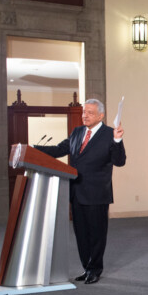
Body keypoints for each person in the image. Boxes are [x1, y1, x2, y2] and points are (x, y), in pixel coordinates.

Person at [36, 98, 126, 284]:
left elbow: (119, 161)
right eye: (84, 112)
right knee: (81, 234)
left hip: (97, 194)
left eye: (90, 112)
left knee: (96, 234)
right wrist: (32, 149)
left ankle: (95, 269)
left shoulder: (110, 134)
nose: (85, 115)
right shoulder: (77, 132)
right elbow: (59, 149)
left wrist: (118, 140)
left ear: (101, 115)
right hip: (76, 192)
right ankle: (86, 268)